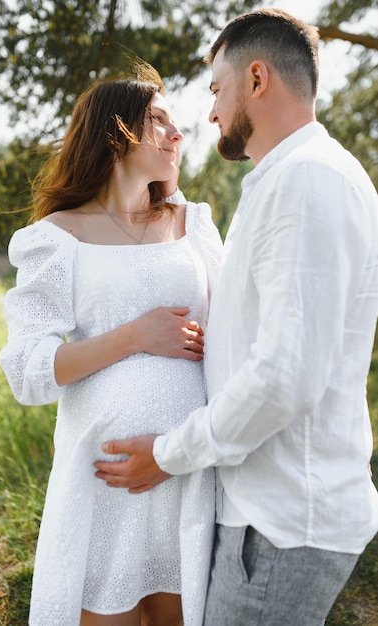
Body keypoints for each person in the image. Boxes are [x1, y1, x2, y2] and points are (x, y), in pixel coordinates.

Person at [93, 9, 378, 625]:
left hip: (281, 524)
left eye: (217, 88)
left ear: (256, 79)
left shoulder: (307, 183)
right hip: (263, 517)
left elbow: (285, 376)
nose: (212, 112)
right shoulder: (282, 183)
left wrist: (167, 453)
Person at [0, 64, 223, 626]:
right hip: (105, 479)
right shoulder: (57, 238)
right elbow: (29, 370)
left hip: (186, 469)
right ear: (115, 132)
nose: (177, 134)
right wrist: (135, 335)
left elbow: (230, 330)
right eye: (158, 122)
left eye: (177, 125)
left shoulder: (193, 225)